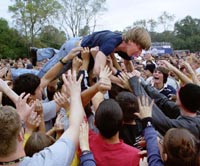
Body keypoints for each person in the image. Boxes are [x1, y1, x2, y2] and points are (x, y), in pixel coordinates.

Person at [0, 71, 85, 166]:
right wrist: (75, 94)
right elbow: (76, 126)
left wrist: (23, 121)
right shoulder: (47, 162)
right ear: (21, 135)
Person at [34, 27, 151, 78]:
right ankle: (18, 74)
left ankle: (42, 53)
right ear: (130, 41)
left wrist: (134, 77)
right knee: (48, 75)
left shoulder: (125, 49)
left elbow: (128, 64)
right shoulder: (111, 43)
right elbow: (97, 70)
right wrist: (118, 75)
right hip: (74, 48)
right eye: (140, 48)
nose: (140, 53)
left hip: (85, 46)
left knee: (56, 56)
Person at [89, 98, 140, 166]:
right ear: (122, 123)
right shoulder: (136, 156)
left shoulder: (85, 143)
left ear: (95, 123)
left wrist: (96, 88)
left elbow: (77, 106)